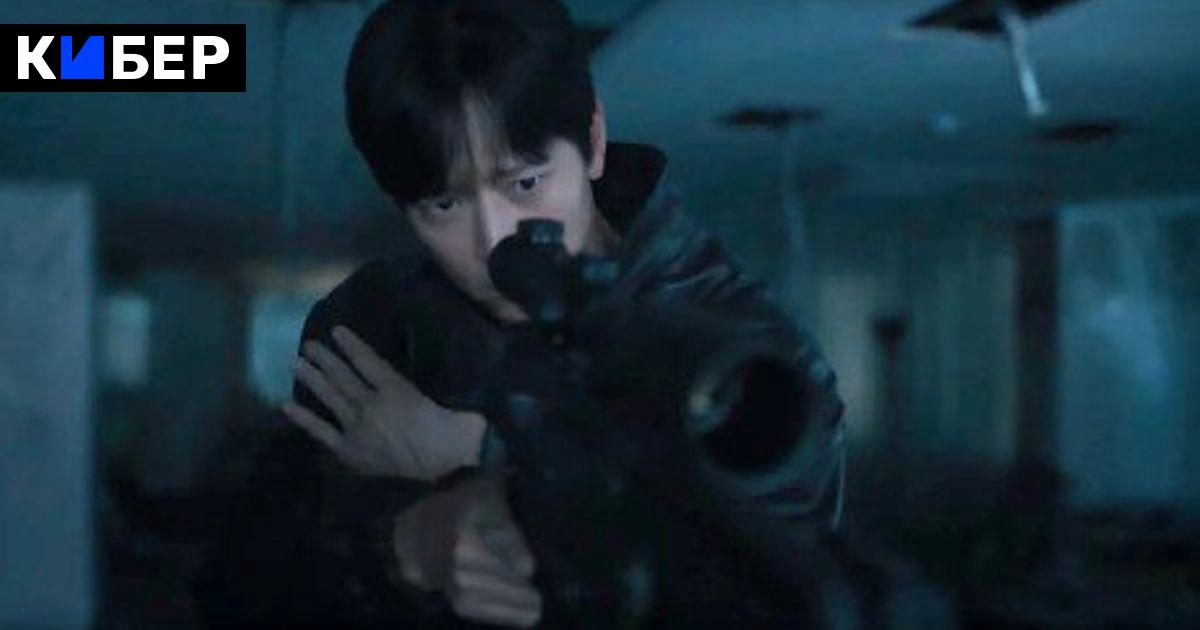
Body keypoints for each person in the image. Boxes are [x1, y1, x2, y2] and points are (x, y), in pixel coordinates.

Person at [194, 0, 846, 627]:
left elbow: (781, 590)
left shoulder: (741, 347)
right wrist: (412, 547)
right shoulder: (377, 321)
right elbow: (241, 589)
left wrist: (477, 451)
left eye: (526, 183)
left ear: (593, 139)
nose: (494, 239)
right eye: (444, 205)